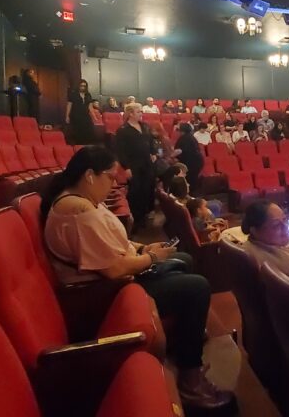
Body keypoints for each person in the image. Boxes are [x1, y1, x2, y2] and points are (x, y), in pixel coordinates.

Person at [40, 147, 232, 408]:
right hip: (108, 291)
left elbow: (112, 243)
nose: (115, 183)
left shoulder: (82, 201)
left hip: (114, 281)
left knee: (184, 262)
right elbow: (113, 269)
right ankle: (190, 378)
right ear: (89, 176)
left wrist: (143, 248)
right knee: (196, 287)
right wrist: (153, 259)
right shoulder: (77, 211)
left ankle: (188, 338)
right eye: (110, 177)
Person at [235, 200, 289, 275]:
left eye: (285, 220)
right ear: (254, 231)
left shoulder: (251, 245)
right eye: (276, 225)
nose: (285, 226)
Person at [115, 103, 157, 230]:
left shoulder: (144, 126)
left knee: (147, 188)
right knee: (136, 191)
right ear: (131, 114)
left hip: (147, 163)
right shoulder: (123, 130)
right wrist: (126, 167)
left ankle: (144, 215)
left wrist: (153, 153)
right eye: (138, 112)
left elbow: (151, 141)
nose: (141, 114)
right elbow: (120, 151)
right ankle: (136, 219)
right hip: (133, 165)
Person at [66, 80, 97, 145]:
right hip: (76, 116)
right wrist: (67, 116)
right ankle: (79, 146)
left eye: (84, 86)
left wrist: (94, 117)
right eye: (81, 86)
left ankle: (87, 146)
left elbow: (90, 107)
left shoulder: (88, 95)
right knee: (78, 132)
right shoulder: (73, 94)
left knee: (89, 131)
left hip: (85, 116)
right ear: (79, 86)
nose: (83, 87)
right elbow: (69, 106)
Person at [174, 123, 204, 190]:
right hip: (198, 161)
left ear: (182, 131)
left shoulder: (183, 138)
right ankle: (194, 195)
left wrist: (170, 156)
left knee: (188, 180)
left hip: (190, 162)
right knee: (193, 179)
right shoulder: (192, 137)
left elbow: (179, 151)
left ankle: (189, 195)